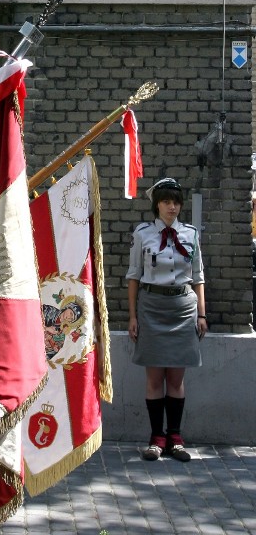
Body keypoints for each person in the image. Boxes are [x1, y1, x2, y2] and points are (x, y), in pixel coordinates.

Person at [127, 176, 207, 463]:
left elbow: (198, 277)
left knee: (176, 377)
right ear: (156, 205)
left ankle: (175, 437)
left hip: (183, 308)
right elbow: (134, 277)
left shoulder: (191, 233)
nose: (172, 207)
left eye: (176, 202)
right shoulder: (143, 233)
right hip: (152, 306)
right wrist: (133, 317)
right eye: (166, 201)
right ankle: (155, 438)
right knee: (154, 377)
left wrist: (201, 313)